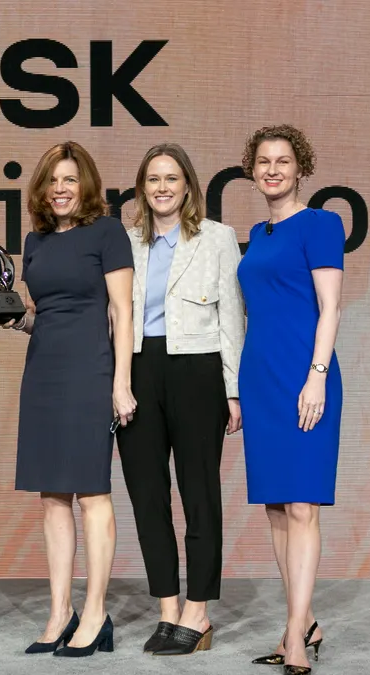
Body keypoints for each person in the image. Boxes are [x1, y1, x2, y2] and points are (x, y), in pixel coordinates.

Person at [0, 141, 134, 658]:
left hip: (91, 371)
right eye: (52, 181)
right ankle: (60, 611)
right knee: (52, 498)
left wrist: (121, 383)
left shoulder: (108, 232)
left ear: (86, 184)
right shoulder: (36, 240)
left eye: (69, 179)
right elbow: (45, 313)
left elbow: (122, 312)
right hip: (44, 372)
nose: (61, 189)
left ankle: (96, 612)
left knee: (92, 493)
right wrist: (13, 318)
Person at [116, 143, 245, 656]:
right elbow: (115, 320)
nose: (162, 188)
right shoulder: (126, 242)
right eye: (153, 179)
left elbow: (233, 317)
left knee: (198, 495)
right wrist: (117, 381)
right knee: (147, 497)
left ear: (188, 185)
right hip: (140, 371)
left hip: (197, 370)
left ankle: (199, 612)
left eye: (172, 178)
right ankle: (168, 610)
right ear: (142, 188)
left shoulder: (217, 238)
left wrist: (233, 390)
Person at [236, 124, 345, 675]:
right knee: (278, 510)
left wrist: (317, 376)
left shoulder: (323, 224)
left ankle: (296, 639)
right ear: (252, 170)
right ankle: (301, 623)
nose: (272, 169)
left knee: (303, 505)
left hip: (305, 376)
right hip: (261, 381)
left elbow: (330, 308)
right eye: (263, 161)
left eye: (282, 161)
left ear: (300, 167)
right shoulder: (257, 233)